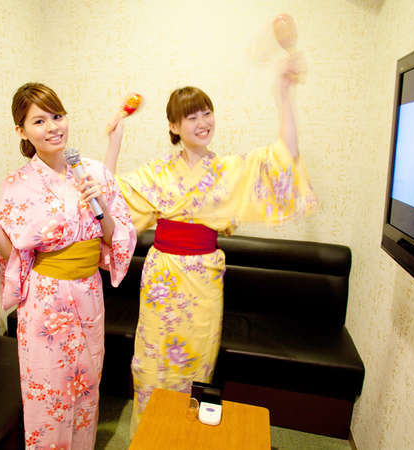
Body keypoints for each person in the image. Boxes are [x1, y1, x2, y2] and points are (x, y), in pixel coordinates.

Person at [104, 53, 317, 436]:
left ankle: (187, 439)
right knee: (150, 368)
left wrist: (284, 94)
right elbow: (109, 201)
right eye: (191, 117)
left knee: (196, 370)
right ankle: (150, 438)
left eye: (207, 113)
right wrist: (114, 143)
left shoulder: (228, 170)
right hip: (162, 281)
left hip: (203, 282)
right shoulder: (157, 173)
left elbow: (282, 158)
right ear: (173, 126)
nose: (203, 122)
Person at [0, 83, 136, 450]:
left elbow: (114, 237)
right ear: (21, 131)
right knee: (49, 395)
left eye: (57, 116)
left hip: (89, 292)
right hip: (45, 301)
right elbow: (16, 257)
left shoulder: (93, 172)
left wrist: (100, 206)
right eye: (39, 121)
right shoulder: (17, 185)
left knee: (87, 386)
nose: (53, 127)